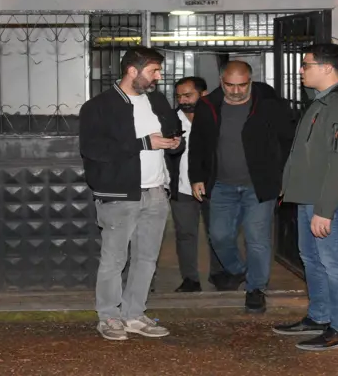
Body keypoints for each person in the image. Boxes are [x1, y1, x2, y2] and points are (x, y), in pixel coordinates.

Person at [272, 43, 338, 351]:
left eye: (306, 64)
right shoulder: (324, 100)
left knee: (335, 262)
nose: (301, 70)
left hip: (333, 199)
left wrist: (326, 209)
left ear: (327, 68)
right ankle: (320, 317)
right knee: (312, 258)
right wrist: (289, 183)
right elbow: (306, 150)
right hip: (311, 194)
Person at [79, 46, 183, 341]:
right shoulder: (99, 106)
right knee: (114, 259)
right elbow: (93, 149)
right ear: (132, 71)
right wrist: (143, 143)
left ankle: (134, 314)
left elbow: (173, 133)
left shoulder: (157, 101)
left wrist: (175, 143)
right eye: (153, 71)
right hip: (119, 194)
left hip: (156, 191)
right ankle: (109, 316)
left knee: (146, 258)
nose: (158, 77)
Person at [187, 61, 295, 313]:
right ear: (221, 81)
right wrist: (197, 176)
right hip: (221, 185)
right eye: (230, 85)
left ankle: (256, 288)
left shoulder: (269, 104)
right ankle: (240, 270)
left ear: (251, 81)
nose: (235, 91)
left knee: (257, 239)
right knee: (219, 236)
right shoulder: (208, 105)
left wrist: (284, 178)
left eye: (242, 85)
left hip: (259, 186)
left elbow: (288, 142)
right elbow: (198, 143)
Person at [166, 76, 223, 292]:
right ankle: (190, 279)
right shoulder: (170, 120)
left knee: (217, 233)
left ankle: (219, 274)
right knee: (185, 235)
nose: (183, 100)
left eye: (188, 95)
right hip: (181, 188)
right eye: (179, 96)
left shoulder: (216, 117)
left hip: (213, 186)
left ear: (204, 94)